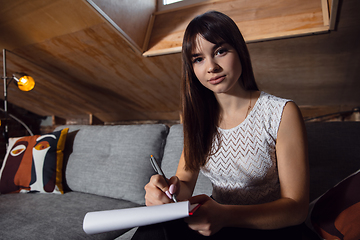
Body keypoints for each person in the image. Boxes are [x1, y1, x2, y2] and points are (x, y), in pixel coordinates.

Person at [132, 10, 309, 240]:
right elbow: (184, 183)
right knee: (152, 230)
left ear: (239, 50)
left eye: (220, 51)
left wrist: (225, 215)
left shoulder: (281, 112)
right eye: (198, 59)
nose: (211, 67)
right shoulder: (197, 117)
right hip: (217, 220)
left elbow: (296, 208)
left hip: (266, 226)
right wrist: (166, 191)